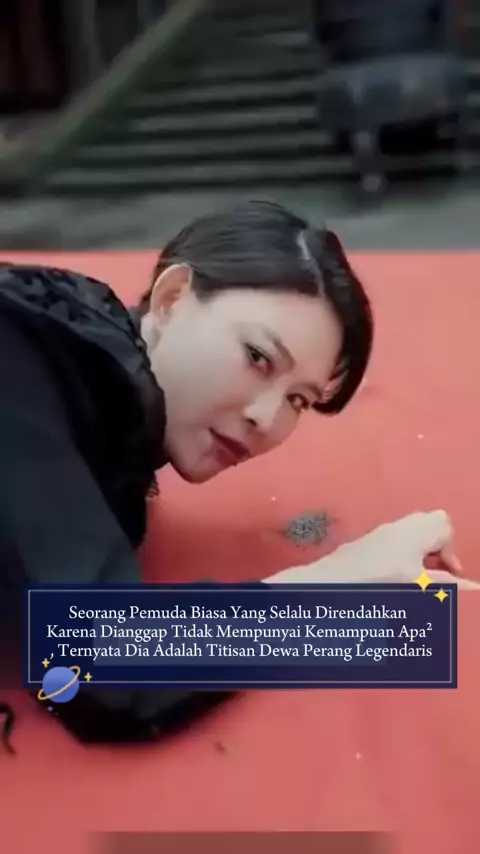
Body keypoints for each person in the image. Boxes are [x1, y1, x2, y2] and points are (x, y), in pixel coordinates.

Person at [0, 201, 475, 750]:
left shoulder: (88, 381)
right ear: (172, 298)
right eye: (257, 357)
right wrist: (334, 582)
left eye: (298, 400)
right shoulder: (19, 356)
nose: (266, 418)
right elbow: (99, 665)